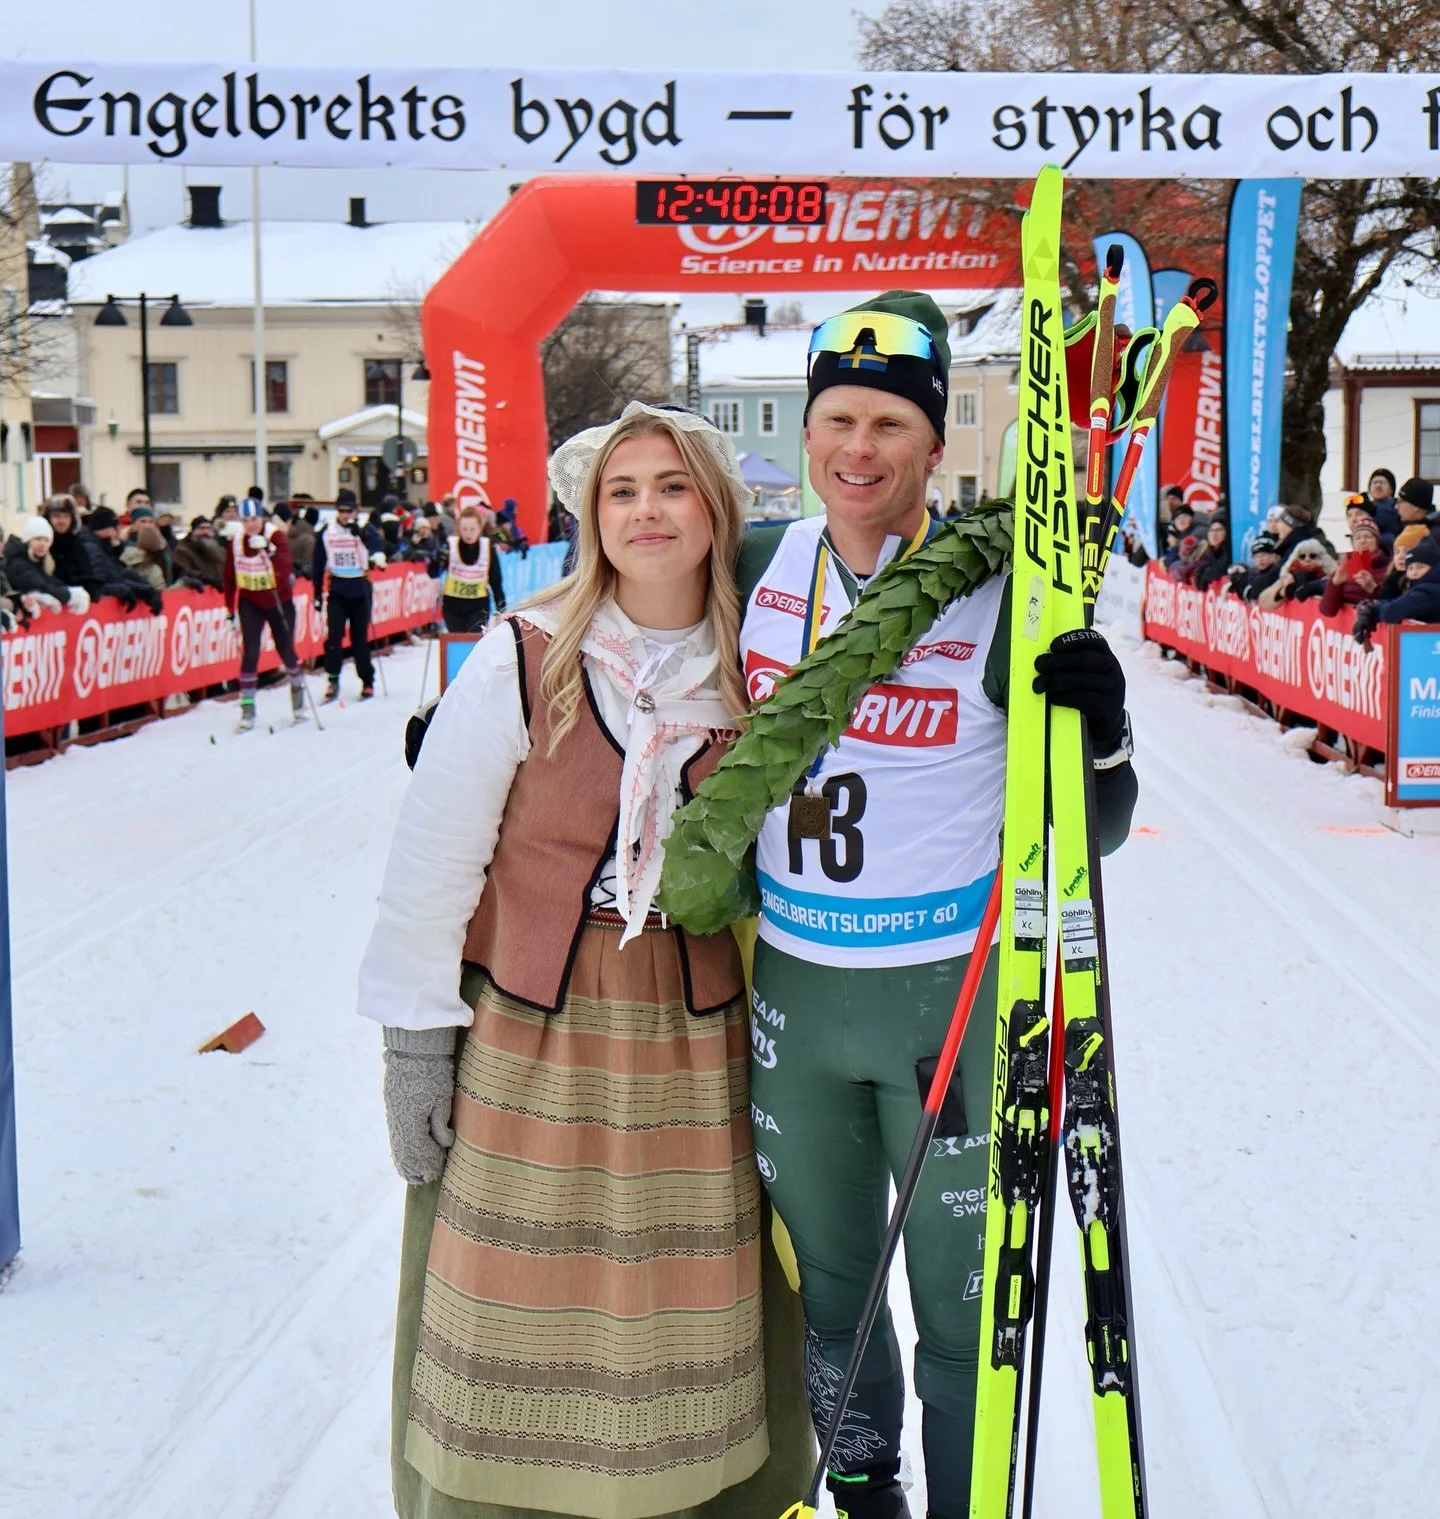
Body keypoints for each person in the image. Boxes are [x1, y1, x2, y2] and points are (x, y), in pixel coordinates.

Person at [718, 292, 1137, 1519]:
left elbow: (1093, 826)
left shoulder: (1001, 582)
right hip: (797, 991)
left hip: (949, 1001)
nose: (859, 448)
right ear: (807, 432)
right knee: (839, 1295)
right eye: (837, 417)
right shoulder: (752, 564)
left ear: (936, 445)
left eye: (891, 424)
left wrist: (1101, 734)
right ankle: (866, 1501)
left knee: (962, 1315)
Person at [357, 401, 810, 1519]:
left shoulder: (758, 667)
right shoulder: (529, 654)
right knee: (520, 1291)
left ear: (716, 509)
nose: (646, 511)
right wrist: (417, 1040)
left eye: (670, 487)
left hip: (691, 1032)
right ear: (590, 516)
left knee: (680, 1297)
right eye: (621, 490)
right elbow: (434, 853)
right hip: (533, 1033)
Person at [222, 497, 308, 733]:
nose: (250, 525)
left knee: (286, 650)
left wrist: (268, 551)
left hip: (278, 600)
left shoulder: (274, 536)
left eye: (254, 519)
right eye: (246, 520)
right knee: (250, 652)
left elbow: (286, 566)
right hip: (250, 601)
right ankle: (247, 709)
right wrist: (230, 609)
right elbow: (229, 577)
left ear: (262, 518)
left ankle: (298, 698)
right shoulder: (237, 540)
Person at [312, 489, 377, 701]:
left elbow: (379, 546)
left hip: (360, 590)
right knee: (334, 638)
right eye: (341, 511)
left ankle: (367, 681)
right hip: (338, 590)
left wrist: (364, 536)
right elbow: (318, 563)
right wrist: (316, 593)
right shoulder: (327, 531)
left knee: (359, 640)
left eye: (349, 511)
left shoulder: (365, 529)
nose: (345, 515)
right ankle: (332, 679)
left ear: (356, 510)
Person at [1354, 537, 1440, 642]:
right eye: (1410, 568)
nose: (1414, 572)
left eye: (1420, 567)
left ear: (1435, 568)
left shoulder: (1428, 591)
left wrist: (1375, 611)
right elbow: (1398, 601)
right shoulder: (1420, 588)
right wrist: (1374, 607)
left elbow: (1392, 611)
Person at [3, 516, 91, 617]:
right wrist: (70, 596)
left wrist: (72, 590)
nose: (42, 544)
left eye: (46, 540)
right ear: (28, 541)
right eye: (38, 539)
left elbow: (49, 581)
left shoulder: (37, 561)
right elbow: (40, 586)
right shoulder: (17, 561)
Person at [440, 504, 507, 634]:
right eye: (464, 529)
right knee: (457, 646)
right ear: (459, 528)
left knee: (472, 642)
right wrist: (437, 559)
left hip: (478, 607)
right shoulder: (451, 545)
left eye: (472, 529)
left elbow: (496, 581)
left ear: (480, 528)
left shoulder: (487, 548)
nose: (468, 533)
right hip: (452, 608)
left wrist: (501, 610)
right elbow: (433, 573)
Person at [1320, 516, 1389, 615]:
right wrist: (1335, 583)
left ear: (1376, 542)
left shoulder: (1386, 568)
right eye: (1357, 538)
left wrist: (1373, 589)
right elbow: (1327, 611)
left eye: (1368, 537)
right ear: (1353, 544)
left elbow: (1389, 601)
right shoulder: (1343, 567)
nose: (1362, 541)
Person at [172, 516, 227, 590]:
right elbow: (186, 572)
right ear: (193, 531)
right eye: (201, 528)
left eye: (209, 528)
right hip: (198, 591)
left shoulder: (221, 551)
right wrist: (207, 580)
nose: (205, 532)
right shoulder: (183, 551)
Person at [1227, 531, 1282, 601]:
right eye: (1256, 556)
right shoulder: (1253, 573)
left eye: (1263, 555)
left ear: (1273, 556)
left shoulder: (1278, 572)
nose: (1260, 559)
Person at [1394, 476, 1438, 541]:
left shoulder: (1434, 536)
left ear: (1416, 507)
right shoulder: (1399, 527)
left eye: (1400, 502)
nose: (1396, 507)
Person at [1367, 468, 1401, 539]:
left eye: (1382, 483)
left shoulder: (1400, 507)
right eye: (1375, 482)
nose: (1378, 486)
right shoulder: (1364, 508)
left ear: (1391, 489)